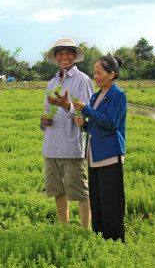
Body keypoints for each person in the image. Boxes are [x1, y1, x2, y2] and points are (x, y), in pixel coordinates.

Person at [72, 55, 127, 242]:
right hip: (94, 155)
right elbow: (96, 125)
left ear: (111, 74)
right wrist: (83, 125)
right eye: (94, 72)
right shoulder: (96, 96)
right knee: (97, 200)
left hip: (110, 155)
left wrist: (86, 110)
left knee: (111, 200)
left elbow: (111, 122)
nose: (95, 76)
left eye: (99, 72)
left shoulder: (118, 95)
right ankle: (100, 237)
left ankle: (115, 240)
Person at [40, 38, 94, 228]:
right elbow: (47, 111)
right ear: (55, 58)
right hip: (51, 145)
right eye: (60, 53)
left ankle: (85, 229)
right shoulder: (53, 82)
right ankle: (64, 226)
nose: (64, 57)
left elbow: (87, 111)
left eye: (68, 53)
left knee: (79, 191)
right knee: (57, 190)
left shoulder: (83, 80)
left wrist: (65, 104)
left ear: (75, 56)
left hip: (71, 145)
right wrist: (44, 120)